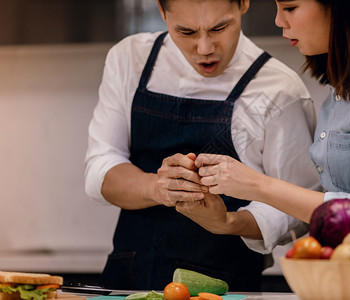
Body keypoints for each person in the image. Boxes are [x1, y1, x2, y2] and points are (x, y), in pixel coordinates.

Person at [175, 0, 350, 254]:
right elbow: (328, 201)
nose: (279, 21)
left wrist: (256, 185)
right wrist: (226, 220)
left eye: (290, 8)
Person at [84, 0, 320, 291]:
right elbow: (100, 168)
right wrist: (158, 187)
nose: (205, 48)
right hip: (127, 280)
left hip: (228, 287)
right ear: (161, 11)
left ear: (243, 4)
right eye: (186, 32)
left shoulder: (279, 89)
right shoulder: (129, 59)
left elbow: (297, 211)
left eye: (219, 27)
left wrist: (228, 222)